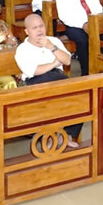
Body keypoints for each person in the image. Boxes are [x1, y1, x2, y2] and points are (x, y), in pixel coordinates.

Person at [13, 14, 82, 145]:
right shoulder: (22, 49)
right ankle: (49, 137)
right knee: (47, 101)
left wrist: (51, 47)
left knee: (80, 96)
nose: (39, 30)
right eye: (34, 28)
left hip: (58, 77)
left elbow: (67, 60)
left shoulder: (54, 41)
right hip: (36, 81)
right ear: (27, 31)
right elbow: (34, 71)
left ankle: (66, 135)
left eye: (41, 26)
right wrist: (54, 63)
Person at [56, 0, 102, 74]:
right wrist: (83, 24)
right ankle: (86, 71)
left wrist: (95, 19)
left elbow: (97, 6)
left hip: (94, 21)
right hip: (74, 25)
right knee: (83, 41)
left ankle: (100, 67)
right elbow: (64, 15)